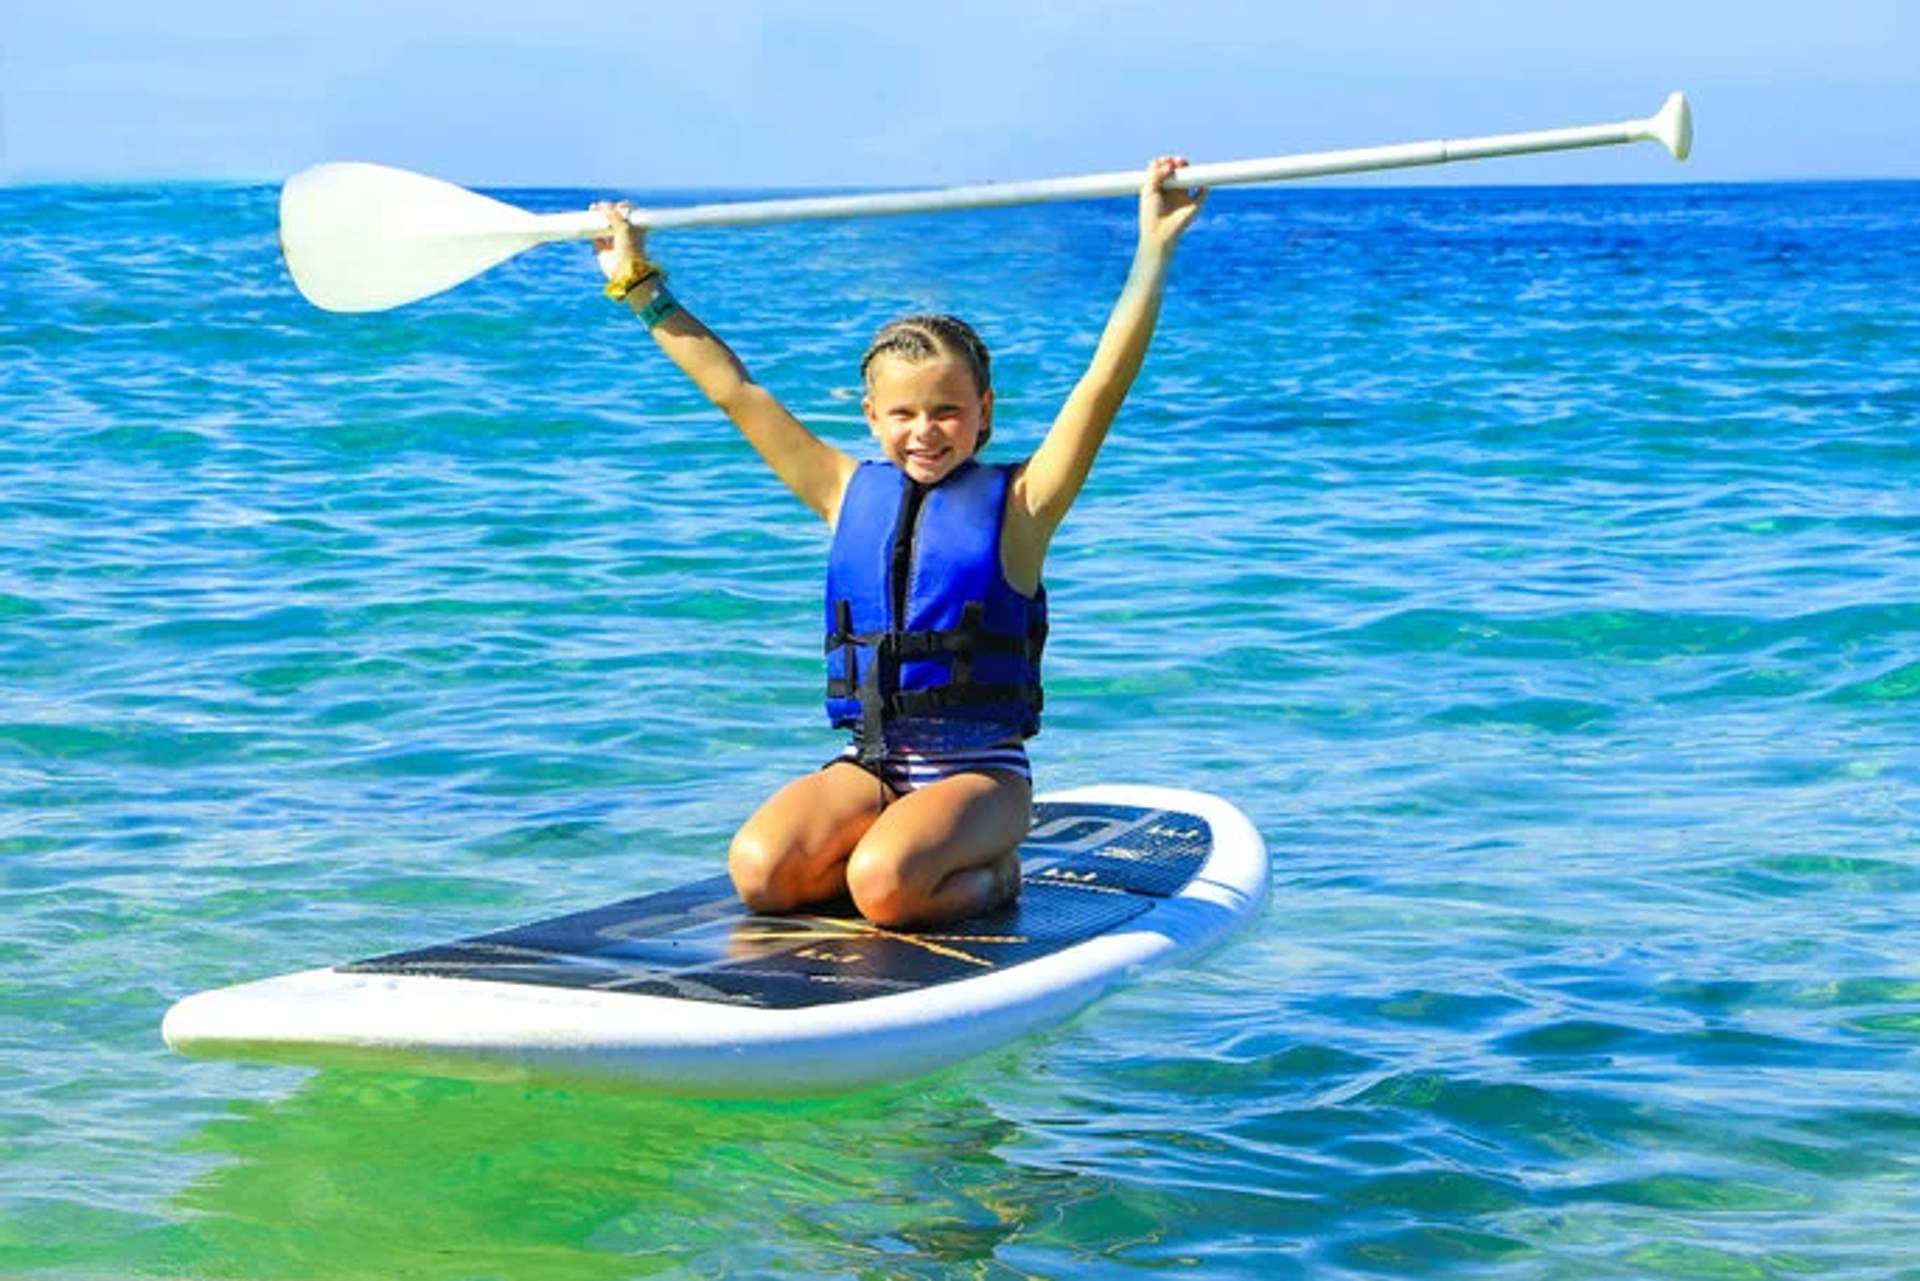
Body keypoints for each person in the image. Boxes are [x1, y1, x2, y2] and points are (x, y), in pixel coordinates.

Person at [592, 157, 1204, 929]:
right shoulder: (846, 490)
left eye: (948, 410)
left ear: (984, 411)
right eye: (904, 413)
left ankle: (992, 877)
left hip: (982, 776)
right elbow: (734, 390)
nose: (926, 431)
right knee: (761, 873)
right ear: (872, 417)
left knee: (884, 887)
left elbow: (1100, 386)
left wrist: (1153, 249)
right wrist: (638, 284)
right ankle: (900, 851)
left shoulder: (1023, 503)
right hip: (872, 763)